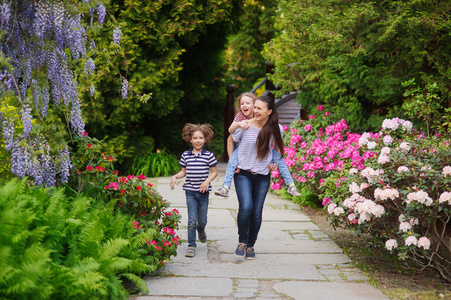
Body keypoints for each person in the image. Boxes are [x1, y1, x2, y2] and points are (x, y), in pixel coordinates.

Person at [214, 92, 301, 198]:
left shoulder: (270, 123)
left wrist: (274, 161)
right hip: (243, 149)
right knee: (232, 162)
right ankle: (225, 187)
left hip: (264, 150)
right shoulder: (241, 117)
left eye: (249, 104)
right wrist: (239, 124)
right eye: (242, 104)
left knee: (280, 160)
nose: (245, 106)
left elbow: (278, 142)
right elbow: (230, 135)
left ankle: (291, 185)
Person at [231, 95, 285, 260]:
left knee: (256, 212)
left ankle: (250, 246)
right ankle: (242, 242)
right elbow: (230, 139)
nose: (255, 111)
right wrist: (233, 162)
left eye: (259, 108)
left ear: (269, 112)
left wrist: (274, 162)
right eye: (255, 107)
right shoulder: (244, 125)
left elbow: (278, 147)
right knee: (246, 207)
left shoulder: (277, 129)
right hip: (243, 174)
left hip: (262, 175)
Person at [170, 123, 218, 258]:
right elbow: (182, 172)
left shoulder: (208, 155)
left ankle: (201, 230)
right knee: (192, 220)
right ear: (190, 139)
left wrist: (207, 181)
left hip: (203, 192)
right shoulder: (186, 155)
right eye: (195, 138)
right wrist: (175, 177)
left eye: (201, 138)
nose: (198, 141)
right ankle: (191, 245)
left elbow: (214, 172)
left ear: (205, 139)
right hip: (190, 192)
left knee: (201, 220)